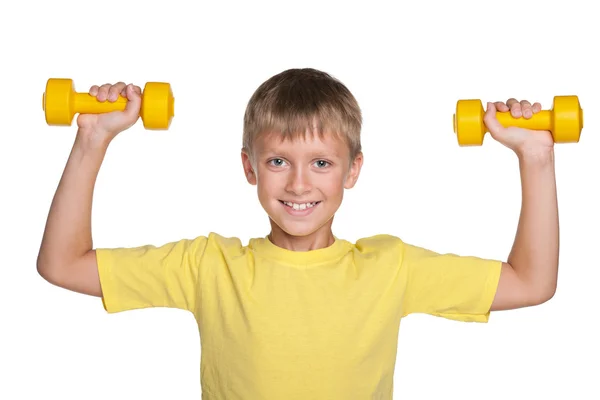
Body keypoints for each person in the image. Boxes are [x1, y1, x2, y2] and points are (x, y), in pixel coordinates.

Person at [36, 68, 559, 399]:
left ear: (353, 171)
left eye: (323, 163)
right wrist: (93, 139)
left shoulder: (390, 267)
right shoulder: (209, 266)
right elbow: (62, 264)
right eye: (279, 160)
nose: (300, 183)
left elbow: (530, 283)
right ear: (250, 168)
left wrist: (535, 158)